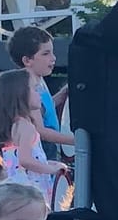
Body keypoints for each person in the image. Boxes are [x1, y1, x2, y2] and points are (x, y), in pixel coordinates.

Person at [0, 67, 59, 196]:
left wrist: (47, 163)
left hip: (19, 189)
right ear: (21, 94)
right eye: (35, 89)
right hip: (31, 190)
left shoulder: (16, 125)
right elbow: (25, 160)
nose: (39, 93)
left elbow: (26, 158)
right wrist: (52, 169)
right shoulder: (26, 127)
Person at [7, 23, 73, 159]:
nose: (53, 58)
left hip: (48, 146)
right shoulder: (29, 84)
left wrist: (60, 96)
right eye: (45, 53)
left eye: (52, 52)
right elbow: (40, 130)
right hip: (42, 148)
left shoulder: (39, 81)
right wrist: (76, 141)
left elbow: (43, 109)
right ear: (27, 60)